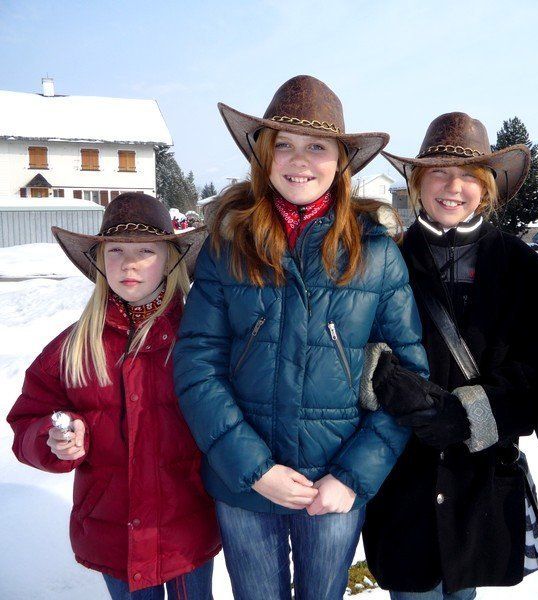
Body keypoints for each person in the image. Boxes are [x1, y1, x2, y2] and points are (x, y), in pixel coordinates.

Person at [172, 75, 429, 600]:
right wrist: (253, 469)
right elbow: (198, 365)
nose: (299, 161)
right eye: (284, 145)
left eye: (317, 147)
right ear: (265, 156)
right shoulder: (229, 244)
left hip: (332, 487)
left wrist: (352, 477)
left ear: (341, 161)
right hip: (246, 487)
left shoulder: (377, 252)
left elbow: (408, 380)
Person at [361, 112, 538, 599]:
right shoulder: (378, 260)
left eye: (469, 176)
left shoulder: (529, 274)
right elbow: (342, 344)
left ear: (486, 188)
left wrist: (464, 415)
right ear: (417, 182)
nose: (453, 187)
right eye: (438, 172)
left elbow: (536, 376)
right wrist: (380, 377)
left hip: (479, 486)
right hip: (401, 480)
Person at [7, 192, 220, 599]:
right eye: (115, 250)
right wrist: (52, 439)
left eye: (146, 251)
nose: (129, 263)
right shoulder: (73, 348)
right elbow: (26, 422)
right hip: (113, 537)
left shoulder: (199, 339)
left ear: (171, 259)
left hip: (186, 533)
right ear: (100, 260)